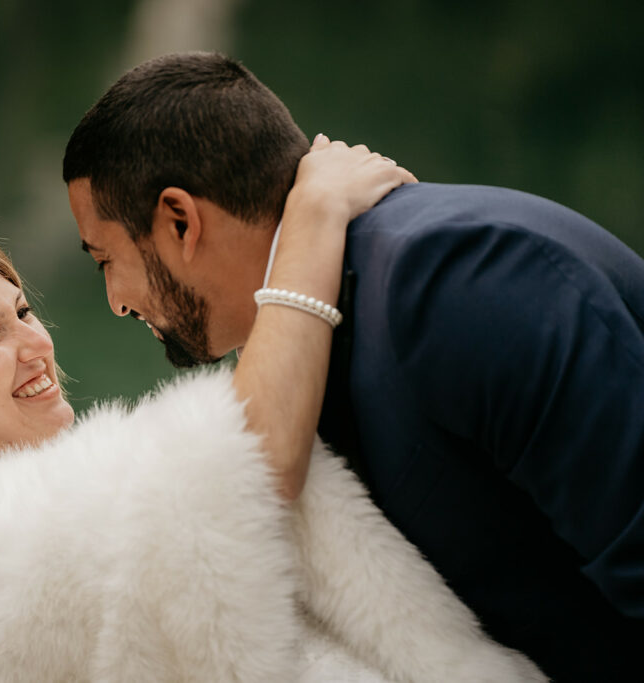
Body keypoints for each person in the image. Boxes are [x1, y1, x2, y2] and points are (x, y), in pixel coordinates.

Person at [0, 142, 544, 681]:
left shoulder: (81, 494)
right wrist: (310, 219)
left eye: (22, 310)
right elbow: (248, 465)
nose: (35, 344)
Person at [62, 51, 644, 682]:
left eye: (104, 260)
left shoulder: (452, 280)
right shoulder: (304, 341)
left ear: (180, 220)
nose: (116, 299)